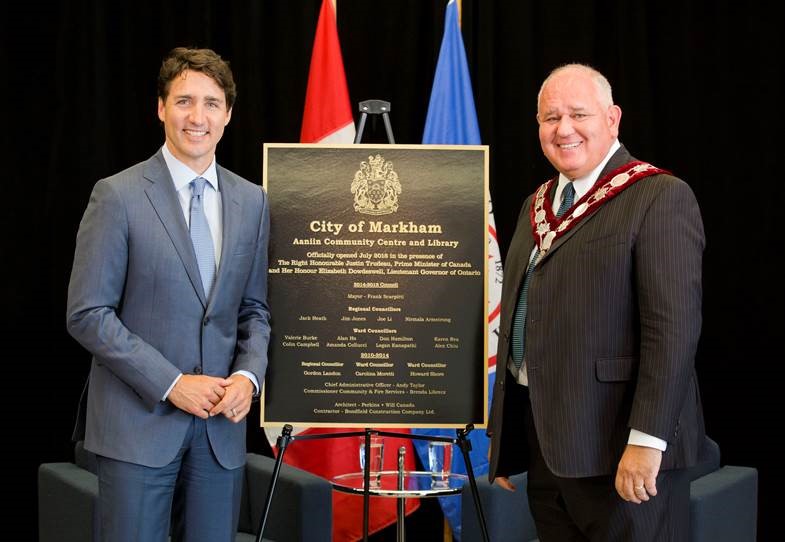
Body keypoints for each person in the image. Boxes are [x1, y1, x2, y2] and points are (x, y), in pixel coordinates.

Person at [487, 63, 705, 541]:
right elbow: (521, 317)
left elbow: (672, 332)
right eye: (550, 118)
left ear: (613, 119)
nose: (563, 129)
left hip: (621, 450)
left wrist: (647, 443)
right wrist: (507, 447)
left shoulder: (658, 197)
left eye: (578, 114)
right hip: (550, 444)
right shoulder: (536, 203)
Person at [67, 47, 270, 542]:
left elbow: (255, 310)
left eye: (211, 103)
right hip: (138, 427)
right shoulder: (116, 195)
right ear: (161, 108)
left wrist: (248, 375)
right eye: (183, 101)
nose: (196, 117)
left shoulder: (252, 201)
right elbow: (87, 313)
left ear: (228, 114)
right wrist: (172, 381)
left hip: (220, 431)